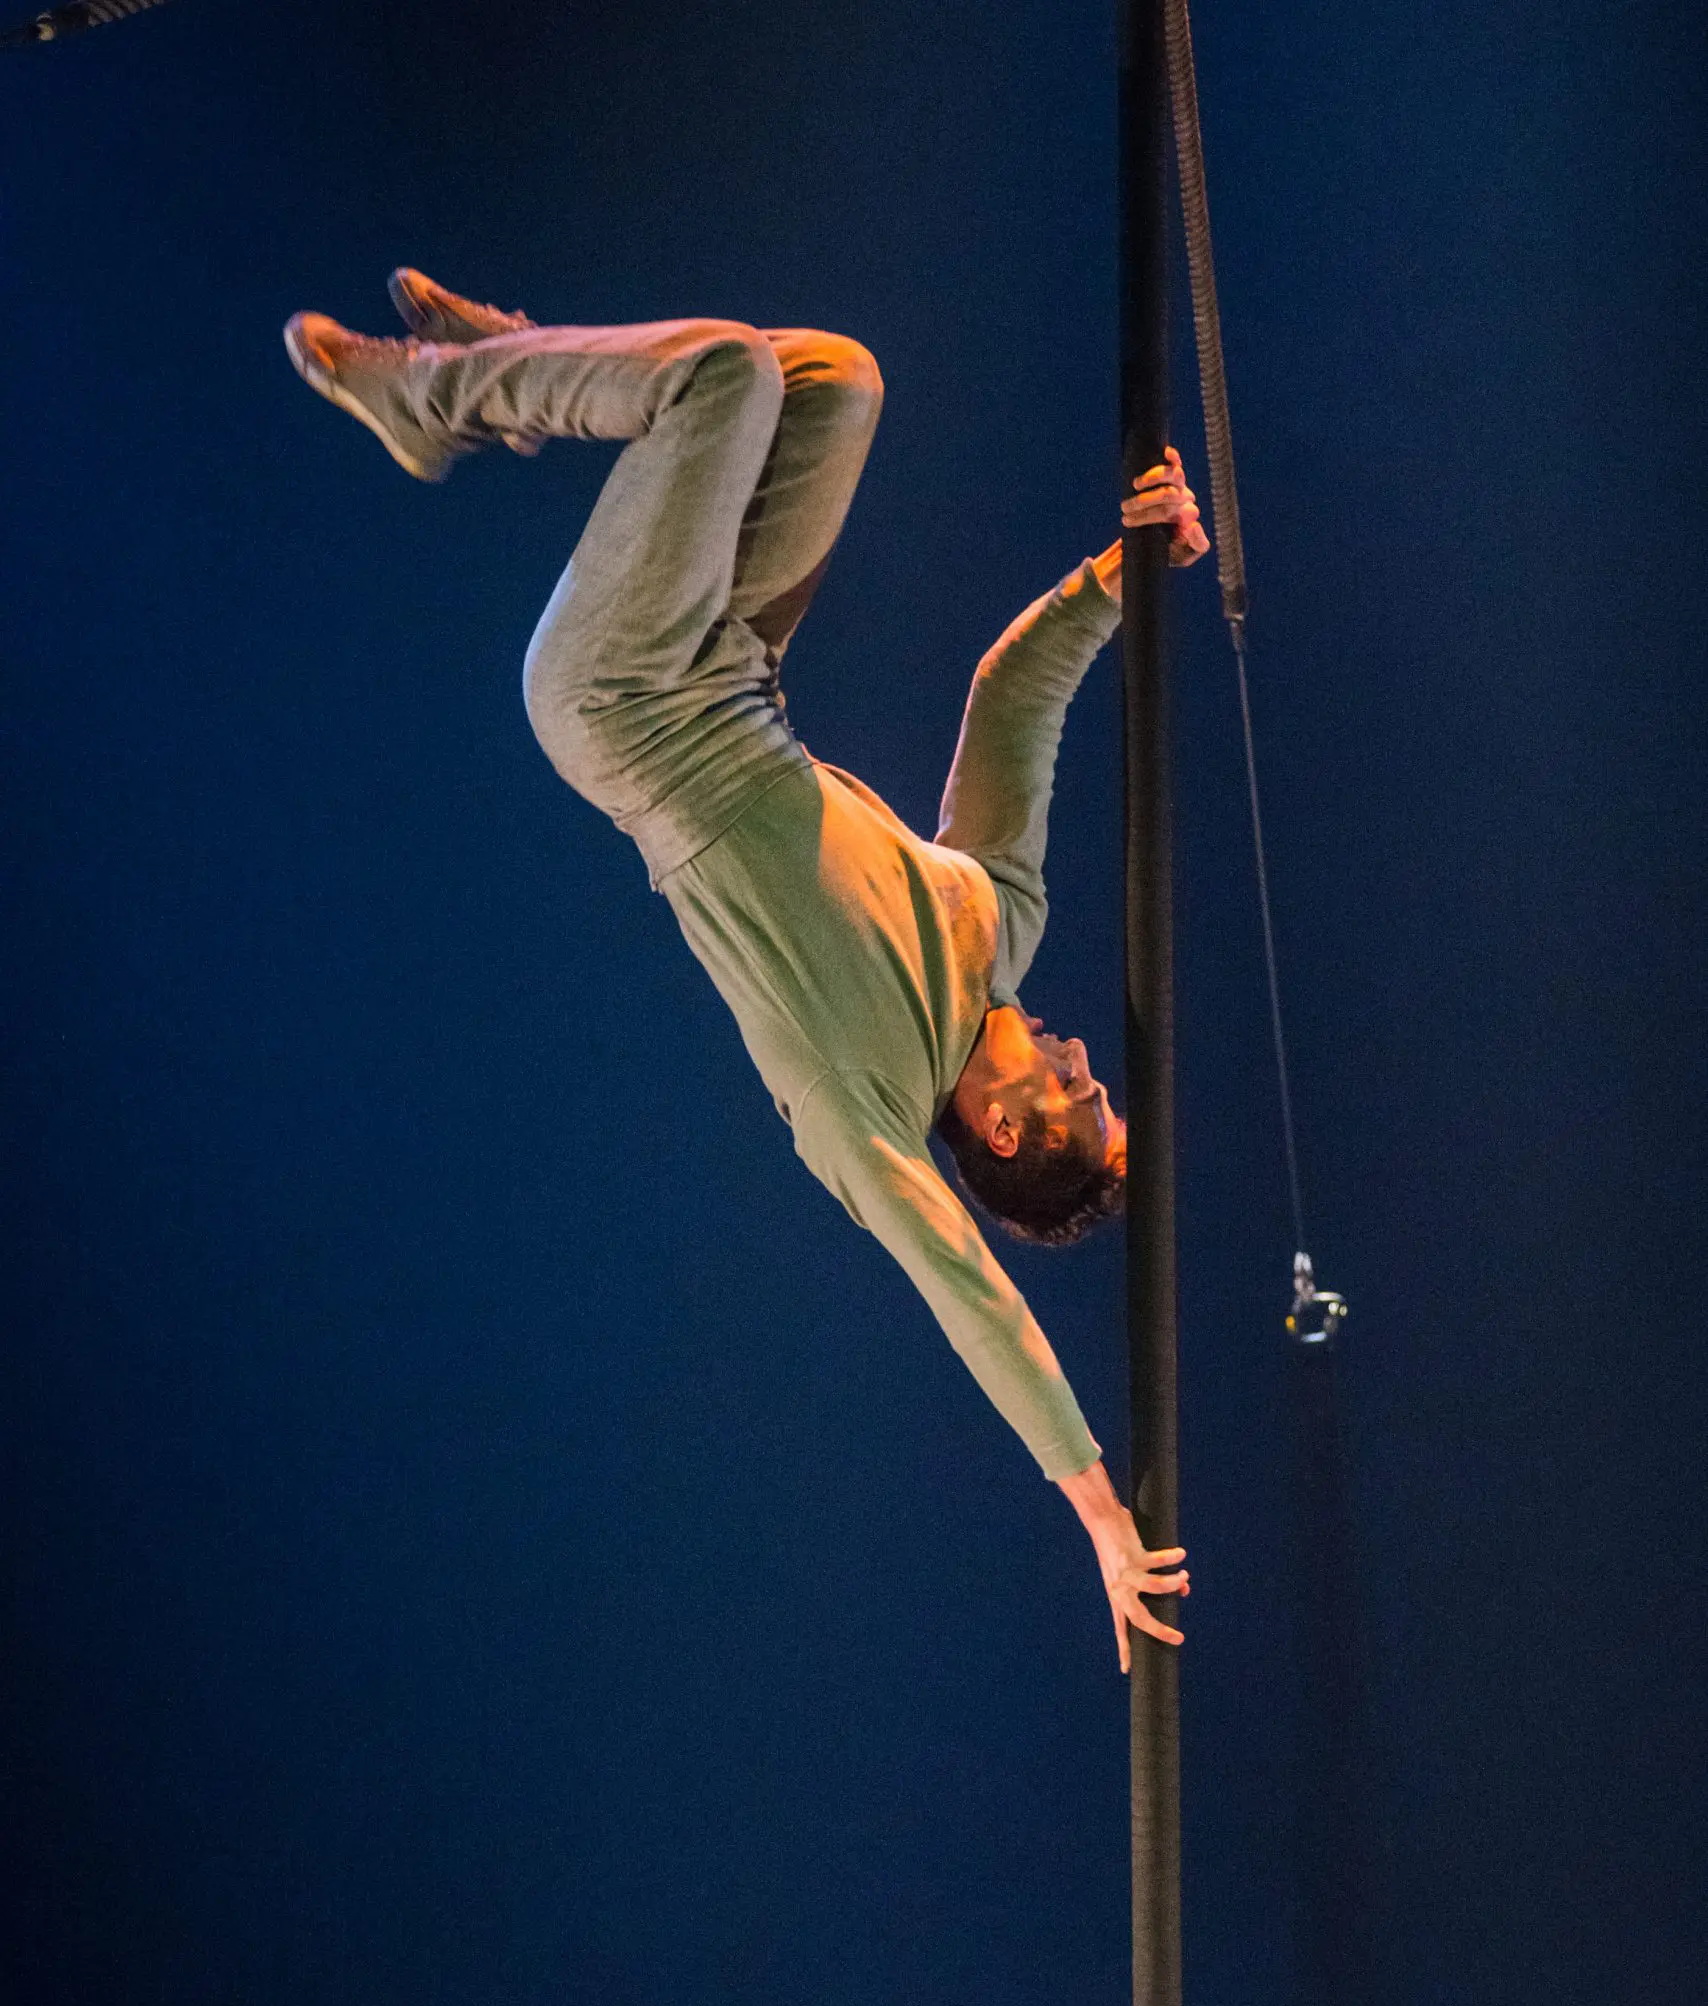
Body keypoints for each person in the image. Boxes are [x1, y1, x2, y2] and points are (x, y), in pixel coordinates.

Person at [283, 276, 1207, 1667]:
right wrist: (1118, 577)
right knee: (834, 380)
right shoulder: (997, 922)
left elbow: (969, 1292)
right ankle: (524, 364)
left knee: (721, 374)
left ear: (1004, 1130)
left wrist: (1093, 1505)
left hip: (625, 710)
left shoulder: (863, 1106)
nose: (1083, 1057)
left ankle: (433, 399)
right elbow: (1013, 692)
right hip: (734, 673)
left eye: (1079, 1097)